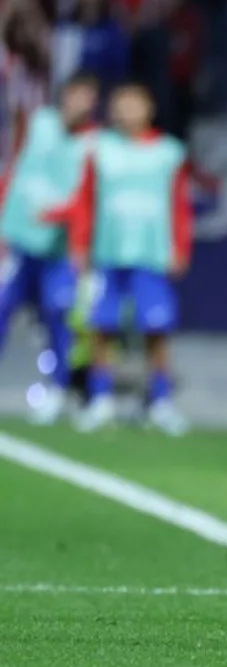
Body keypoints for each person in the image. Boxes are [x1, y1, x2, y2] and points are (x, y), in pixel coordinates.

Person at [46, 83, 192, 434]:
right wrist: (79, 245)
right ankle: (100, 399)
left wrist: (181, 247)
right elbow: (85, 200)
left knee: (157, 329)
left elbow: (179, 204)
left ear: (149, 107)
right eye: (120, 104)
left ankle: (160, 401)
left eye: (134, 103)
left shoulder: (169, 152)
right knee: (101, 327)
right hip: (108, 253)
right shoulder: (100, 149)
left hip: (151, 254)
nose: (126, 110)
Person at [0, 72, 100, 424]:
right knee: (1, 310)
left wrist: (60, 217)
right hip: (18, 241)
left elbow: (87, 198)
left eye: (90, 97)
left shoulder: (94, 144)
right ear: (65, 95)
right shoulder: (39, 122)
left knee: (59, 318)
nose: (82, 102)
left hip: (57, 249)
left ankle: (58, 391)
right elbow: (16, 168)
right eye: (77, 94)